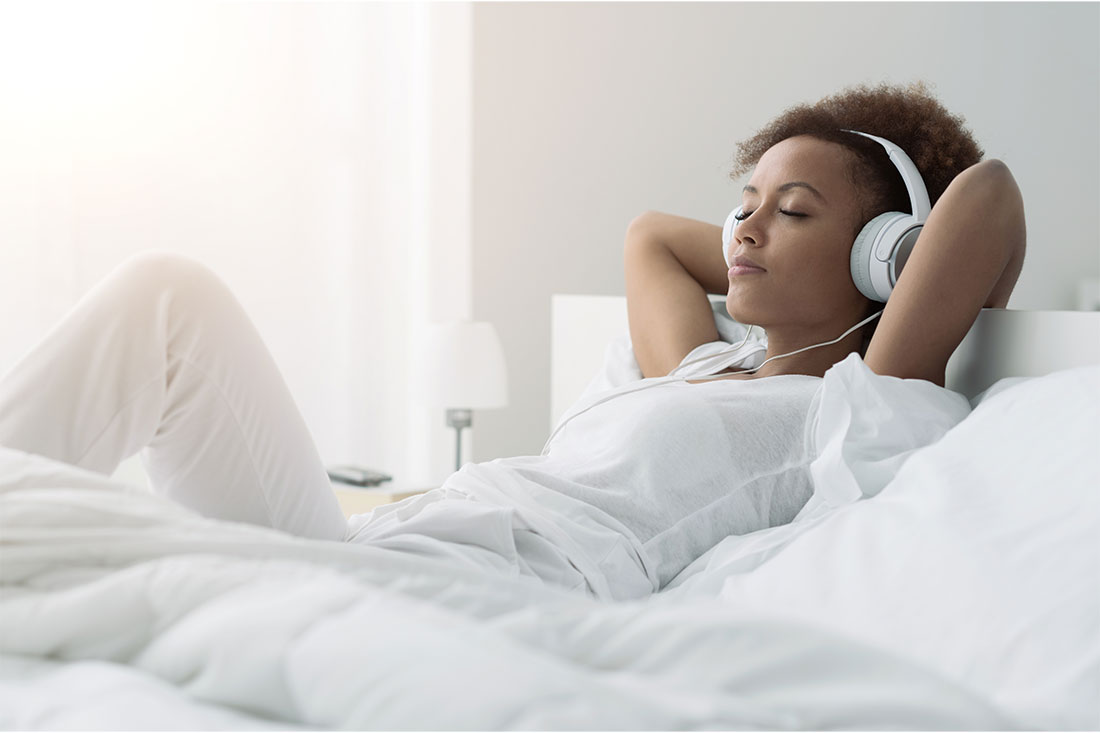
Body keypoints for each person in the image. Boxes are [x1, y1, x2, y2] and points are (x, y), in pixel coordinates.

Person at [0, 82, 1025, 601]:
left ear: (886, 256)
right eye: (740, 206)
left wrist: (883, 264)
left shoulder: (852, 410)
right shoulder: (698, 368)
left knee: (169, 306)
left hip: (451, 588)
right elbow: (649, 240)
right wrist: (777, 239)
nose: (742, 231)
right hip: (385, 543)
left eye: (791, 211)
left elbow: (988, 198)